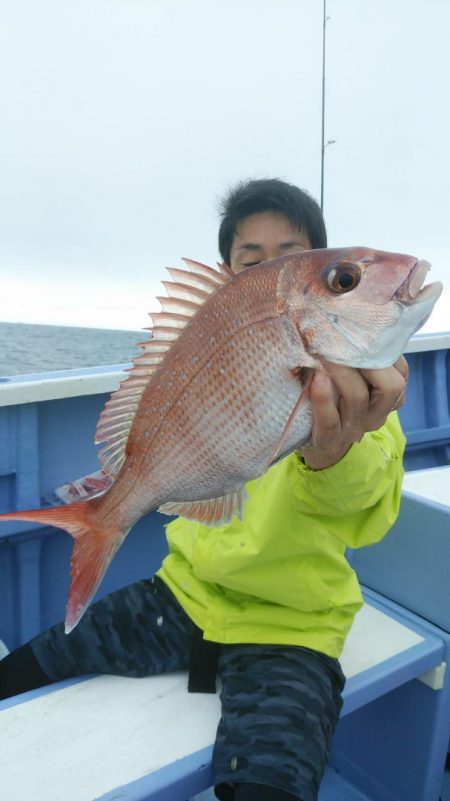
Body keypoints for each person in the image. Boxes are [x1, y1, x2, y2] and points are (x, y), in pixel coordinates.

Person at [0, 178, 407, 801]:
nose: (267, 267)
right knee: (25, 667)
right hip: (182, 592)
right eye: (250, 259)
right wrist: (122, 493)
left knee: (269, 786)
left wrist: (335, 453)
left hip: (290, 625)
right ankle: (101, 524)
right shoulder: (204, 346)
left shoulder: (371, 396)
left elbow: (364, 514)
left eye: (301, 258)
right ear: (228, 276)